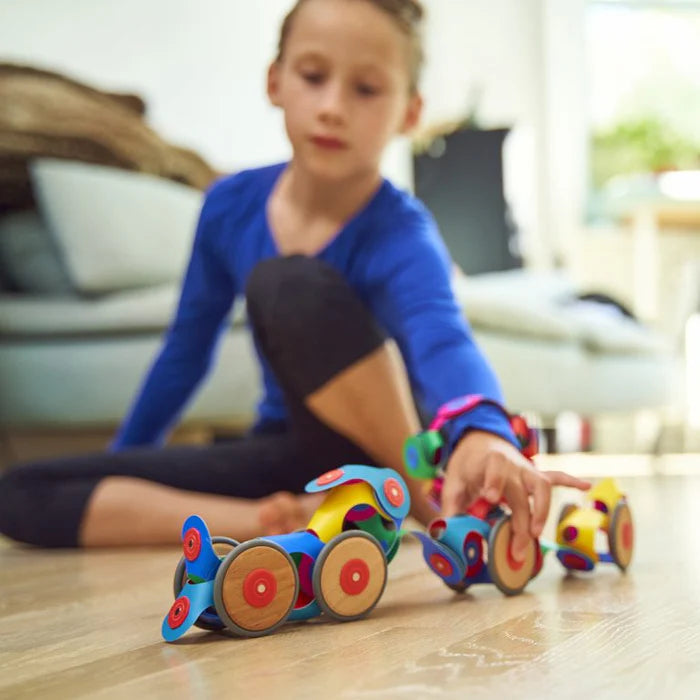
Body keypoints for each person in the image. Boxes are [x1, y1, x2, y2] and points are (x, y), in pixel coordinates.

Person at [0, 0, 588, 550]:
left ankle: (418, 502)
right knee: (20, 492)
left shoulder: (402, 231)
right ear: (274, 82)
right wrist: (126, 459)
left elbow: (443, 338)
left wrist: (483, 431)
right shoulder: (229, 206)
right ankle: (286, 520)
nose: (332, 106)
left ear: (409, 112)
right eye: (313, 77)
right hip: (288, 456)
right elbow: (184, 353)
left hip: (392, 450)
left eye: (365, 89)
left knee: (284, 284)